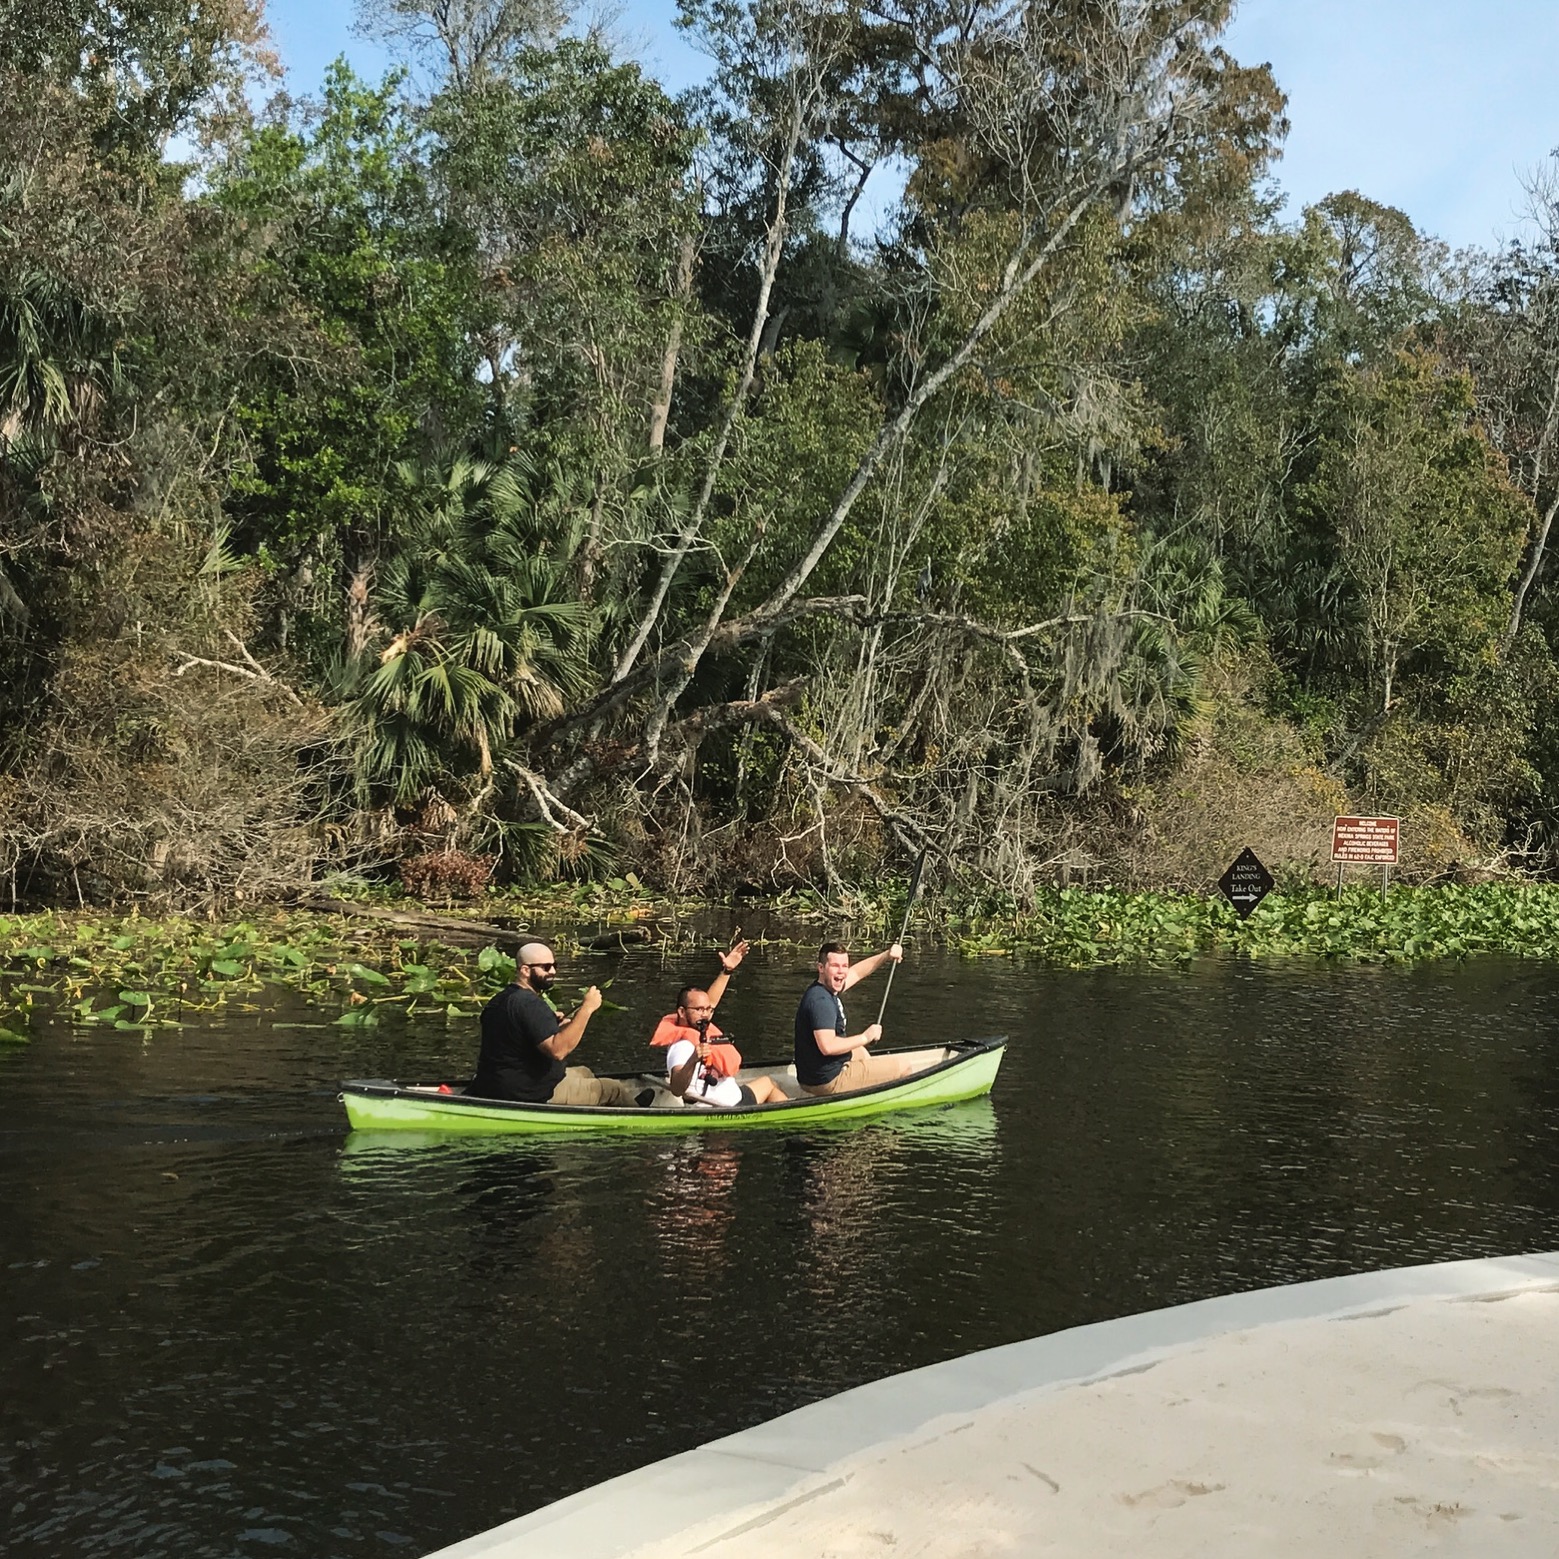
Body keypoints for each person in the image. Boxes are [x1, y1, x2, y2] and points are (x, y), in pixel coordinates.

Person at [467, 941, 647, 1107]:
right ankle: (638, 1114)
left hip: (499, 1082)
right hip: (527, 1092)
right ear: (525, 970)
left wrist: (552, 1025)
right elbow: (558, 1050)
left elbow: (519, 1037)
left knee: (584, 1072)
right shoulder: (529, 1003)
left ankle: (628, 1104)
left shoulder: (501, 999)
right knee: (613, 1089)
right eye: (545, 967)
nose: (553, 971)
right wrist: (587, 1009)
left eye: (555, 965)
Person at [793, 940, 916, 1096]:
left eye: (844, 966)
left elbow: (857, 972)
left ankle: (869, 1088)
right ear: (821, 968)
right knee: (904, 1067)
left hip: (812, 1075)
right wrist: (865, 1037)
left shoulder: (827, 987)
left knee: (860, 1052)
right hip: (826, 1081)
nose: (841, 972)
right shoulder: (821, 1001)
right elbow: (828, 1047)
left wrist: (887, 955)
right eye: (835, 966)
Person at [648, 938, 751, 1079]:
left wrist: (727, 971)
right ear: (682, 1012)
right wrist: (692, 1060)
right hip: (710, 1093)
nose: (705, 1014)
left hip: (727, 1090)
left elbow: (710, 1002)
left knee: (768, 1083)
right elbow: (677, 1086)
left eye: (707, 1010)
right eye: (699, 1010)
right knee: (770, 1085)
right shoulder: (683, 1047)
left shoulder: (698, 1024)